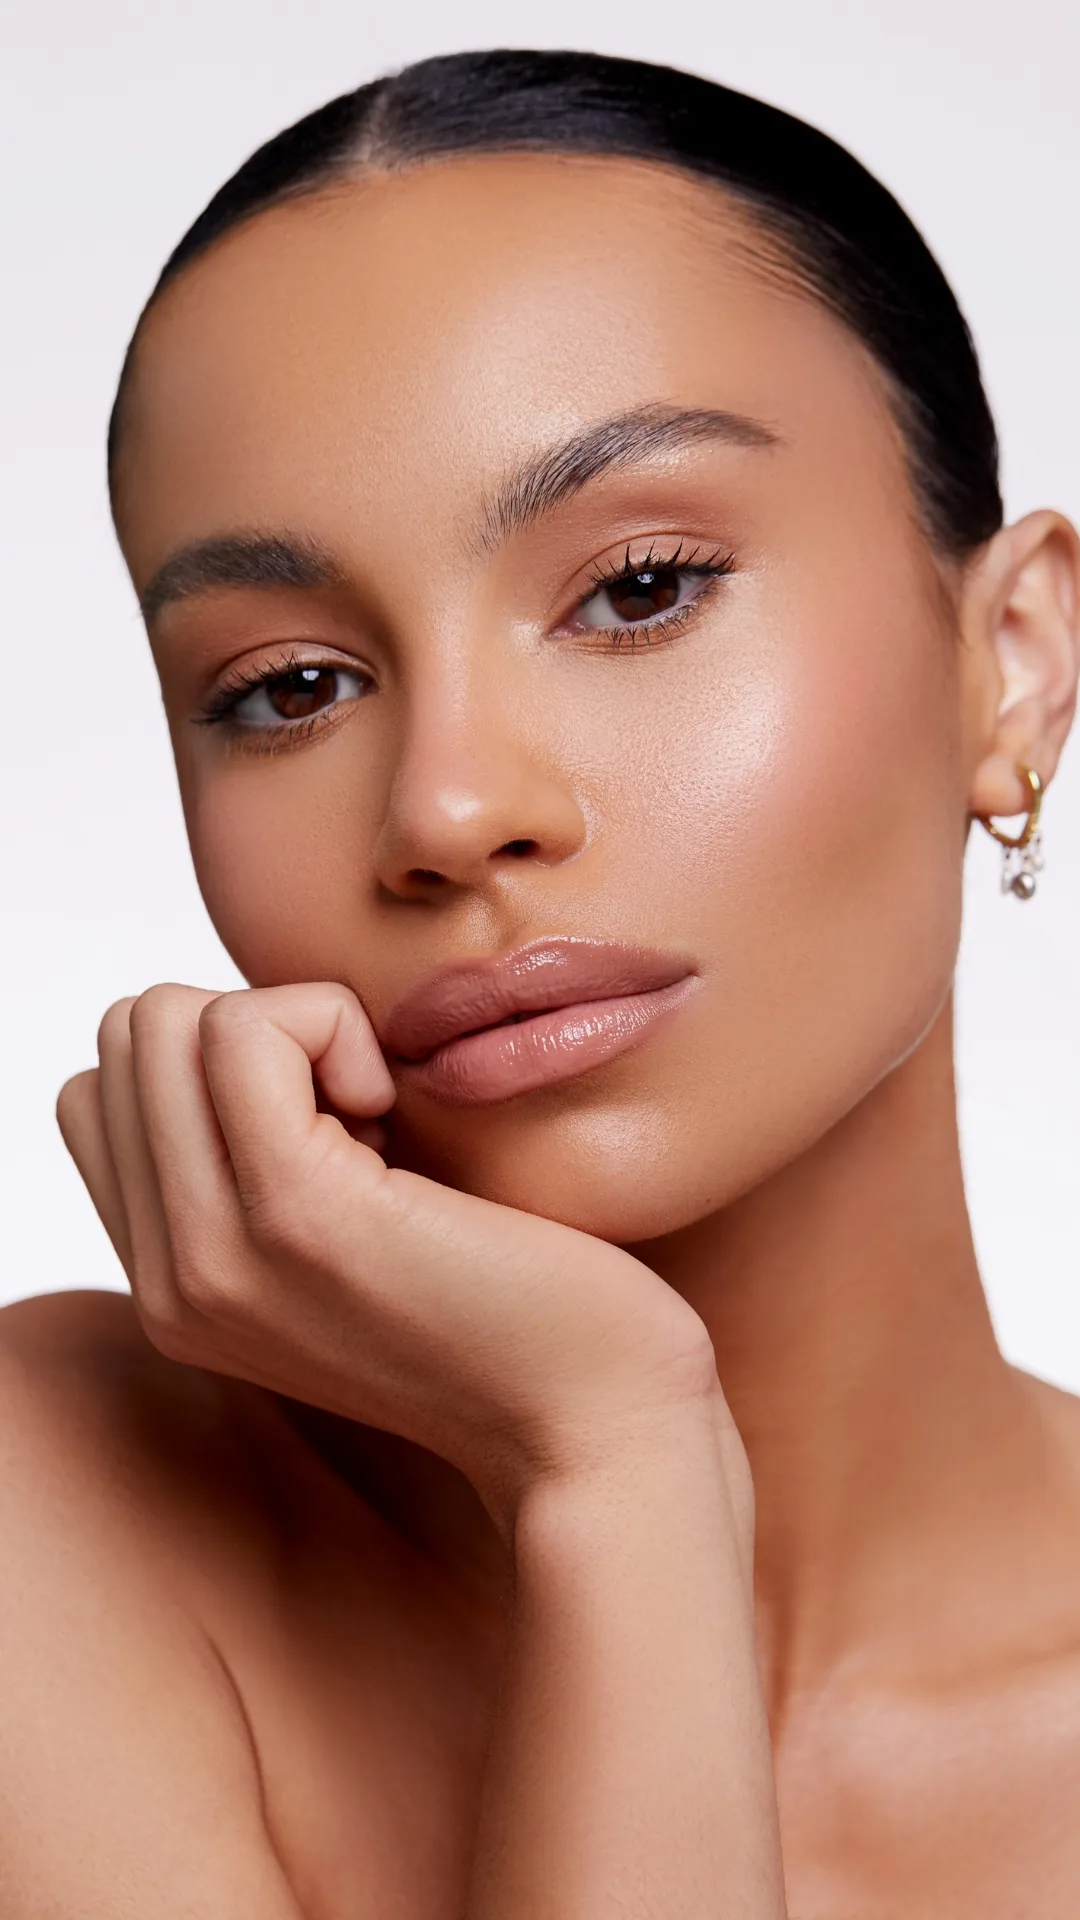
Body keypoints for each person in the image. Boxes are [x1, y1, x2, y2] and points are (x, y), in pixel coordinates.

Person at [2, 45, 1078, 1917]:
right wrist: (616, 1466)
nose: (448, 808)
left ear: (1016, 664)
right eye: (290, 688)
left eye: (642, 585)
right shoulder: (56, 1506)